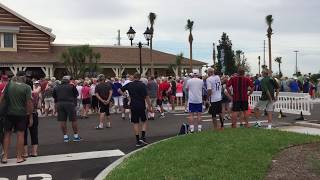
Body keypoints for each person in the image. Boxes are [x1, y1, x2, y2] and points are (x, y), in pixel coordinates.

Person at [1, 71, 33, 164]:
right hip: (21, 113)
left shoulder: (9, 85)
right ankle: (19, 157)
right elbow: (29, 103)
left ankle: (5, 157)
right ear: (24, 78)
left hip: (9, 113)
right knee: (20, 134)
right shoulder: (27, 87)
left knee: (7, 134)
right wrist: (30, 116)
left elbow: (2, 98)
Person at [119, 73, 152, 147]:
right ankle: (143, 137)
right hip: (141, 105)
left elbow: (119, 90)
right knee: (144, 121)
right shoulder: (142, 85)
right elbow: (147, 97)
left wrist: (126, 96)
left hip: (133, 105)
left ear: (134, 77)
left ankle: (137, 140)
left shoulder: (130, 84)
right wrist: (150, 106)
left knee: (135, 123)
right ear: (140, 78)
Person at [53, 76, 80, 142]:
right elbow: (76, 94)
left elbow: (54, 97)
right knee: (73, 120)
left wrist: (56, 105)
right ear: (68, 81)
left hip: (60, 103)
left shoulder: (56, 87)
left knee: (62, 120)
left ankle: (65, 137)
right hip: (70, 103)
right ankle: (76, 136)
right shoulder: (71, 86)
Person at [24, 78, 41, 158]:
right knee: (34, 133)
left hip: (24, 114)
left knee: (24, 133)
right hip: (34, 113)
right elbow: (39, 106)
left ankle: (25, 152)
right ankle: (34, 152)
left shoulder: (23, 93)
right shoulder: (36, 93)